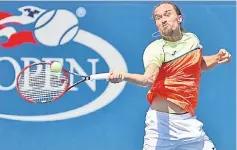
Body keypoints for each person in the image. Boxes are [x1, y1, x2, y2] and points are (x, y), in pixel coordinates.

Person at [107, 1, 231, 150]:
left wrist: (217, 58)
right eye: (158, 18)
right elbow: (148, 79)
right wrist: (123, 76)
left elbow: (197, 65)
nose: (163, 20)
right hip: (161, 126)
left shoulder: (192, 40)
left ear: (179, 18)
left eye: (167, 14)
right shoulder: (155, 49)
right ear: (157, 25)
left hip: (188, 123)